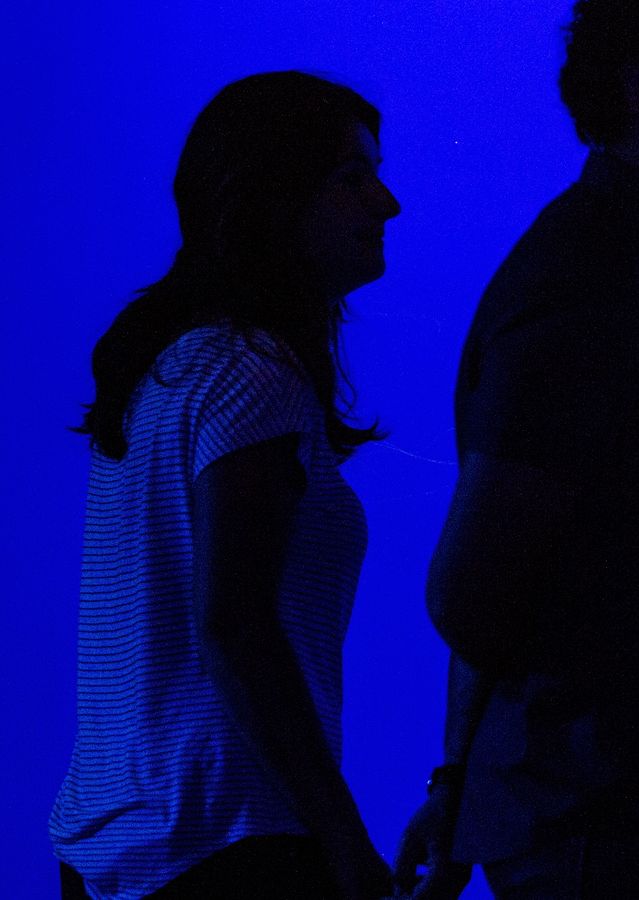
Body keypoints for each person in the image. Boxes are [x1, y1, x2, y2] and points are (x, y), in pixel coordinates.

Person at [393, 1, 639, 897]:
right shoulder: (593, 283)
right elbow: (471, 592)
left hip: (628, 829)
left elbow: (524, 550)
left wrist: (461, 781)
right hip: (610, 837)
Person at [51, 71, 401, 900]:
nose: (386, 204)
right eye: (352, 178)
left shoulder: (164, 373)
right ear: (270, 201)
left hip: (109, 855)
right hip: (230, 846)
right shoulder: (251, 370)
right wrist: (348, 847)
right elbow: (236, 628)